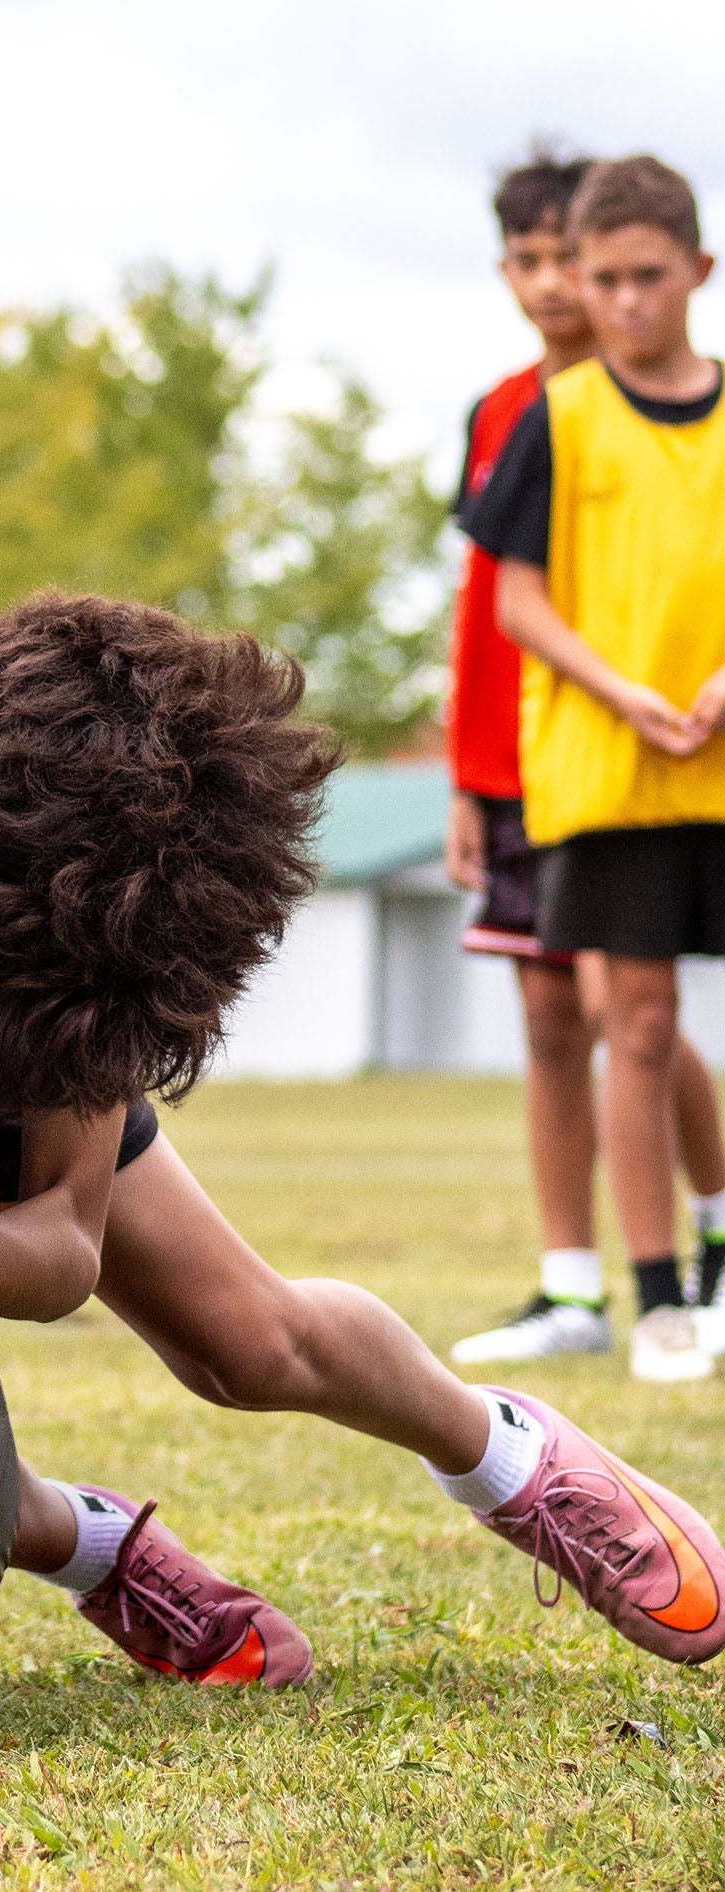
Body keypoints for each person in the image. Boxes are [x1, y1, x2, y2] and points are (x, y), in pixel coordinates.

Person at [0, 549, 725, 1684]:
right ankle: (75, 1535)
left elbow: (60, 1247)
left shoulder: (58, 947)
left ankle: (505, 1457)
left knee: (244, 1346)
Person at [447, 150, 725, 1367]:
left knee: (635, 1019)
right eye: (590, 274)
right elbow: (506, 601)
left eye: (636, 275)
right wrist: (616, 694)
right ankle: (643, 1290)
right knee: (622, 1018)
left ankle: (710, 1253)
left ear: (695, 272)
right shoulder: (544, 419)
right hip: (596, 777)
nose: (612, 298)